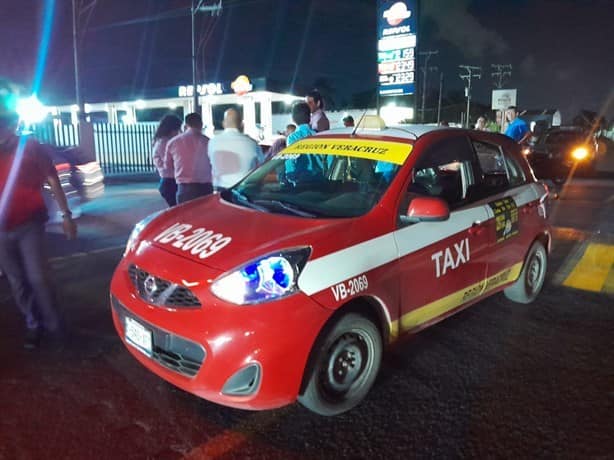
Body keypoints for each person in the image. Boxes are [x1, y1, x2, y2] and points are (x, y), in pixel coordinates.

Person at [0, 79, 77, 349]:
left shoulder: (30, 147)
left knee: (37, 277)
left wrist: (67, 216)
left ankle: (56, 327)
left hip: (28, 224)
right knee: (17, 281)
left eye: (5, 125)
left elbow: (53, 179)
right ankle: (33, 324)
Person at [208, 107, 264, 191]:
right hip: (244, 190)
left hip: (220, 190)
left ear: (223, 123)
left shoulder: (212, 142)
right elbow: (261, 165)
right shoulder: (252, 143)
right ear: (241, 124)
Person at [165, 112, 212, 204]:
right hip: (206, 187)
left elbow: (168, 166)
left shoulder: (173, 142)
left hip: (184, 188)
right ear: (201, 124)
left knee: (185, 216)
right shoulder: (208, 142)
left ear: (185, 125)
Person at [152, 114, 182, 206]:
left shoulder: (163, 141)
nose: (178, 132)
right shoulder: (164, 143)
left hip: (170, 181)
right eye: (177, 129)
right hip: (170, 181)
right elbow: (168, 164)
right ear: (171, 129)